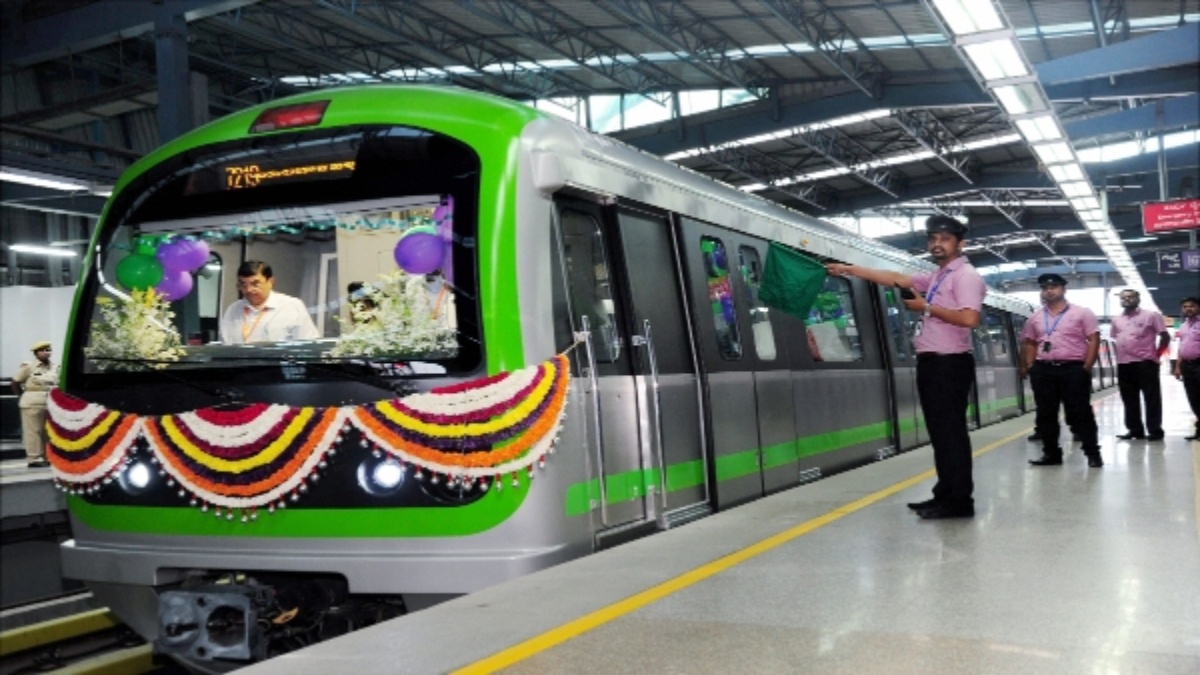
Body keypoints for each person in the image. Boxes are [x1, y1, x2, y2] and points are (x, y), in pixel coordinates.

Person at [827, 214, 985, 519]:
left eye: (945, 239)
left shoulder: (965, 276)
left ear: (960, 244)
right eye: (933, 238)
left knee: (950, 433)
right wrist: (849, 269)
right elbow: (896, 279)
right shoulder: (939, 275)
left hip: (949, 363)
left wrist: (926, 307)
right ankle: (946, 494)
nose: (937, 244)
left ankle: (959, 502)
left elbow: (970, 318)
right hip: (935, 363)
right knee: (941, 434)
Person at [1020, 274, 1103, 468]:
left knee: (1081, 412)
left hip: (1073, 369)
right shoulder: (1035, 317)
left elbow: (1094, 339)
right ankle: (1051, 454)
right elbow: (1030, 342)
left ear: (1064, 289)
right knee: (1046, 414)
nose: (1049, 290)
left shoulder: (1082, 313)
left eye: (1054, 287)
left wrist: (1086, 367)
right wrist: (1031, 365)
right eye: (1045, 288)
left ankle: (1092, 453)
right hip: (1043, 370)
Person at [1111, 289, 1170, 440]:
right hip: (1124, 364)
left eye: (1130, 297)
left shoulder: (1151, 315)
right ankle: (1135, 430)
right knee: (1129, 399)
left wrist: (1157, 355)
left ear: (1138, 299)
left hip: (1145, 363)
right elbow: (1116, 337)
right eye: (1123, 298)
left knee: (1151, 398)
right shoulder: (1116, 320)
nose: (1127, 299)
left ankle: (1155, 431)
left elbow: (1165, 336)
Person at [219, 261, 320, 343]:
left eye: (255, 284)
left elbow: (308, 344)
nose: (249, 290)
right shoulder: (233, 310)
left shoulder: (292, 306)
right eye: (243, 285)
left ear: (271, 282)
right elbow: (224, 344)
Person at [11, 341, 58, 468]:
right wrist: (22, 395)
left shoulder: (55, 367)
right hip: (32, 402)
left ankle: (47, 456)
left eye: (48, 350)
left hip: (50, 402)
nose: (46, 352)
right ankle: (34, 458)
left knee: (48, 431)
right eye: (42, 350)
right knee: (33, 431)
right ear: (36, 353)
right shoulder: (29, 367)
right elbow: (15, 382)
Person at [1175, 296, 1200, 441]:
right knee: (1193, 399)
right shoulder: (1184, 325)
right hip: (1187, 366)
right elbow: (1182, 346)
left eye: (1192, 306)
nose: (1188, 309)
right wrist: (1178, 366)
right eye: (1185, 306)